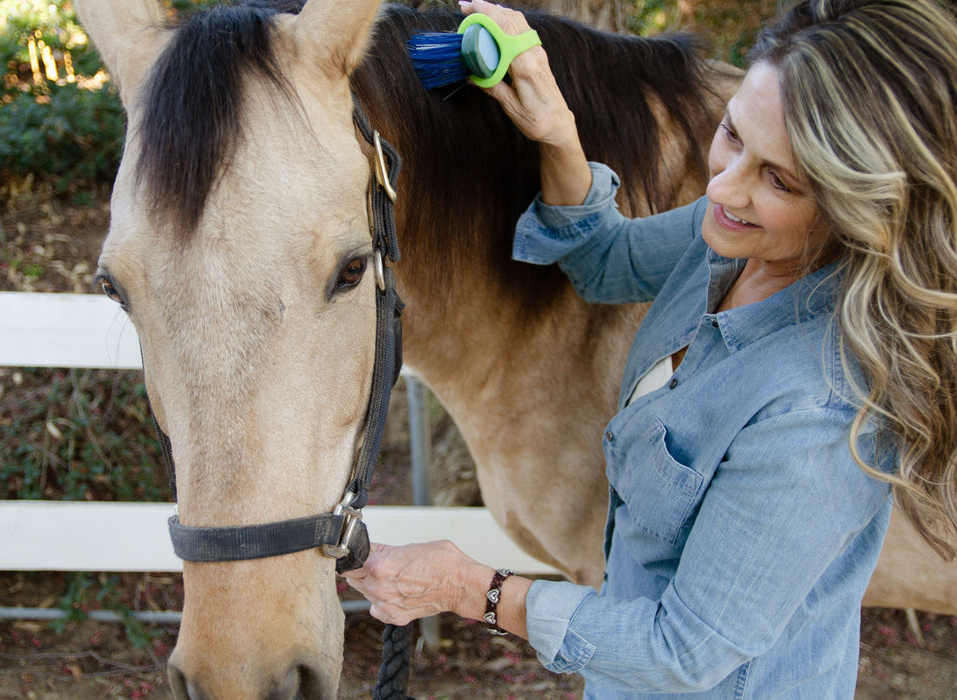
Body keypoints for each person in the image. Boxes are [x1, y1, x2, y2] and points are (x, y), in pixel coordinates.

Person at [343, 0, 957, 696]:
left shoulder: (815, 410)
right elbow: (607, 261)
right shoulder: (737, 236)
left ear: (863, 205)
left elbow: (680, 653)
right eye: (732, 133)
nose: (723, 185)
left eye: (780, 179)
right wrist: (556, 132)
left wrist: (465, 587)